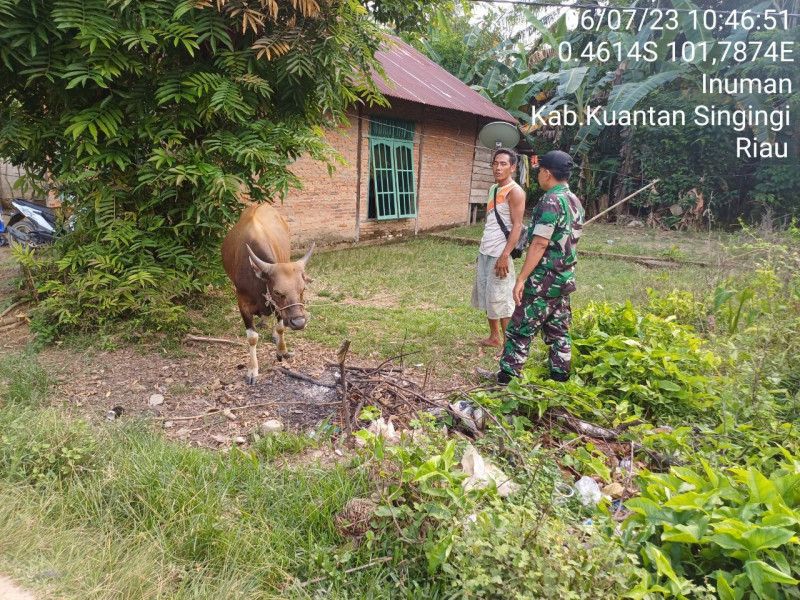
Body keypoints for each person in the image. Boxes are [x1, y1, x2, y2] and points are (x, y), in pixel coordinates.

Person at [496, 150, 584, 385]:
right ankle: (559, 379)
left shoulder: (550, 200)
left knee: (519, 330)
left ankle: (506, 380)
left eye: (539, 172)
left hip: (544, 280)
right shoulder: (575, 201)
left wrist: (522, 278)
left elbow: (540, 243)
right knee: (558, 332)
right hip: (564, 278)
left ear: (546, 173)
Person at [471, 148, 526, 349]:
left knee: (502, 300)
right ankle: (495, 338)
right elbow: (491, 223)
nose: (498, 167)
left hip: (500, 254)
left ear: (512, 167)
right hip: (487, 250)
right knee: (487, 295)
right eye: (495, 163)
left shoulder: (516, 192)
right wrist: (482, 250)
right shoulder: (494, 189)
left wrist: (505, 255)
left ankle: (509, 346)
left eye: (503, 164)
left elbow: (517, 226)